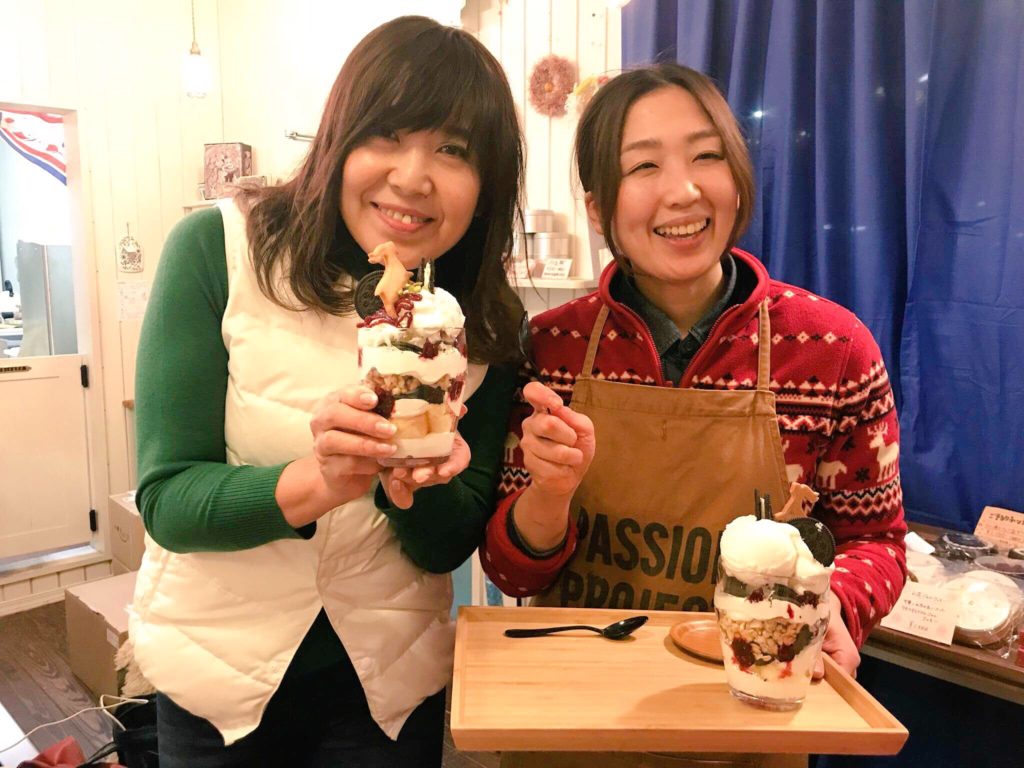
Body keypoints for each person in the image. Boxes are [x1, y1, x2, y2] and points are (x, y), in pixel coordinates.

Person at [481, 63, 908, 766]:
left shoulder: (832, 350)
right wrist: (548, 497)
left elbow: (877, 541)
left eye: (707, 156)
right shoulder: (548, 350)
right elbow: (512, 573)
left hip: (752, 726)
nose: (682, 190)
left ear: (737, 177)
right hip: (573, 720)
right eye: (644, 165)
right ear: (598, 208)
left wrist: (835, 603)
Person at [129, 16, 524, 768]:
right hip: (218, 681)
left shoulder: (483, 320)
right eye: (387, 134)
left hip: (388, 687)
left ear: (488, 183)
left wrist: (415, 482)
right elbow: (168, 502)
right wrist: (322, 479)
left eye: (453, 150)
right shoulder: (222, 250)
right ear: (339, 138)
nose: (413, 177)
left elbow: (445, 545)